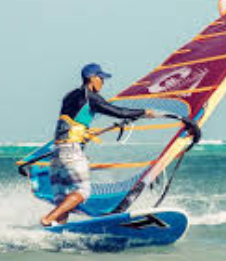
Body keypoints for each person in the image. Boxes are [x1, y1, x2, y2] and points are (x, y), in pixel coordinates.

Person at [41, 63, 156, 226]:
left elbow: (70, 123)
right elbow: (118, 111)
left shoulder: (69, 96)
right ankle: (48, 219)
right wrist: (143, 113)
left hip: (57, 152)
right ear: (92, 79)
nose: (103, 82)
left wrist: (84, 134)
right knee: (82, 191)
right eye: (101, 78)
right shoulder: (90, 97)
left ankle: (56, 230)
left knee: (63, 200)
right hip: (71, 152)